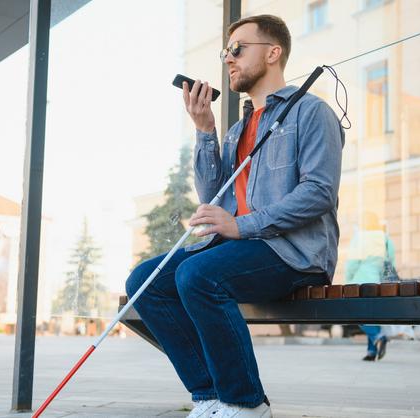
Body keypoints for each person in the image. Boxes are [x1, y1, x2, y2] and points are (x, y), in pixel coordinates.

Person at [125, 15, 344, 418]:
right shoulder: (236, 130)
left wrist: (241, 226)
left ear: (273, 53)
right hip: (240, 250)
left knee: (198, 275)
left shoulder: (310, 113)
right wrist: (204, 129)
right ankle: (209, 395)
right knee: (145, 282)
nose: (228, 58)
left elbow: (319, 193)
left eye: (238, 49)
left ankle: (246, 402)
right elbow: (215, 198)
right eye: (225, 51)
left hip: (293, 253)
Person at [345, 212, 397, 361]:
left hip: (360, 282)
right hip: (378, 283)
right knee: (371, 316)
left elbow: (352, 263)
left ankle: (378, 336)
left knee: (356, 315)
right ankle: (371, 351)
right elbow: (391, 263)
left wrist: (348, 279)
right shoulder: (385, 238)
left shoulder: (360, 237)